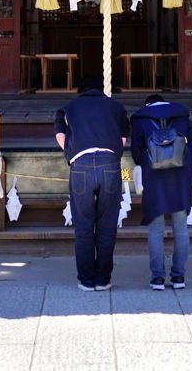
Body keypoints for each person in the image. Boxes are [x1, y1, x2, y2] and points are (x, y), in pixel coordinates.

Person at [55, 77, 130, 291]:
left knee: (84, 225)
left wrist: (71, 153)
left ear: (81, 92)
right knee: (107, 225)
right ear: (101, 91)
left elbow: (60, 132)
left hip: (81, 164)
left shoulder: (69, 107)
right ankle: (103, 279)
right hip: (110, 164)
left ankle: (86, 280)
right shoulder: (116, 106)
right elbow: (123, 138)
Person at [131, 93, 192, 290]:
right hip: (180, 176)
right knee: (181, 228)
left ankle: (157, 278)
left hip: (154, 177)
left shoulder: (140, 119)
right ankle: (178, 277)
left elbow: (136, 152)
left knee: (155, 229)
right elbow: (191, 147)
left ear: (147, 104)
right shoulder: (182, 116)